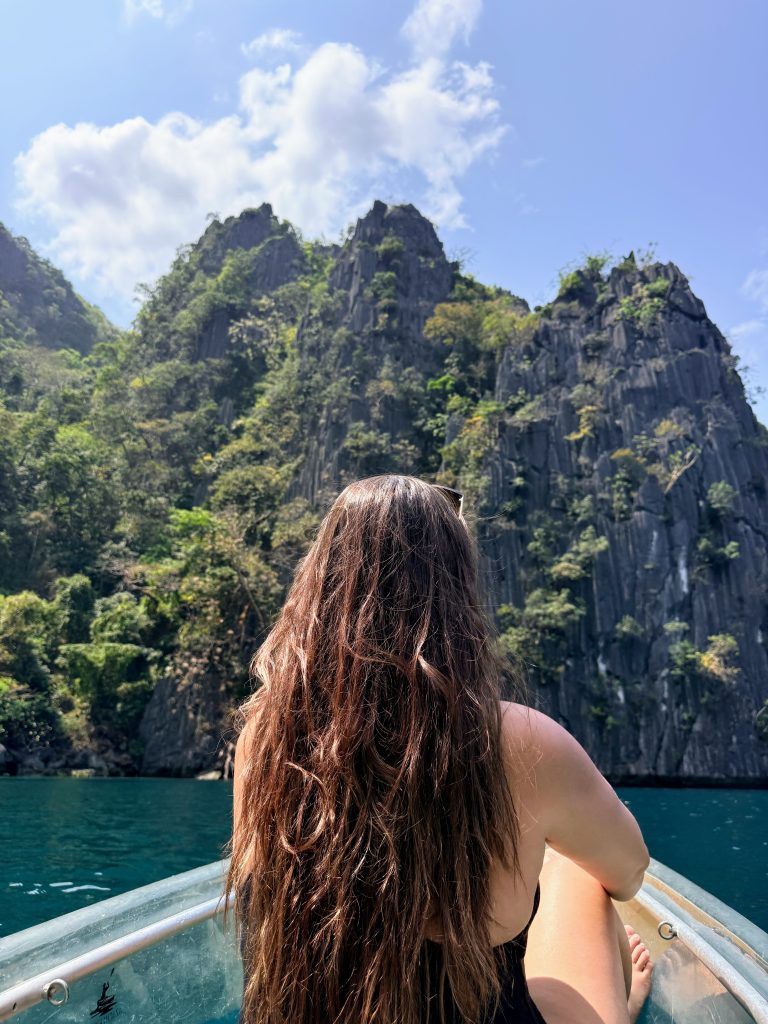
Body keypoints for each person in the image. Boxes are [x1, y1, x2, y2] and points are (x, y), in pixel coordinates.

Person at [225, 474, 654, 1024]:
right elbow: (630, 872)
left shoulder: (263, 736)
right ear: (457, 594)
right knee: (575, 870)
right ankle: (622, 1006)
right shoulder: (520, 741)